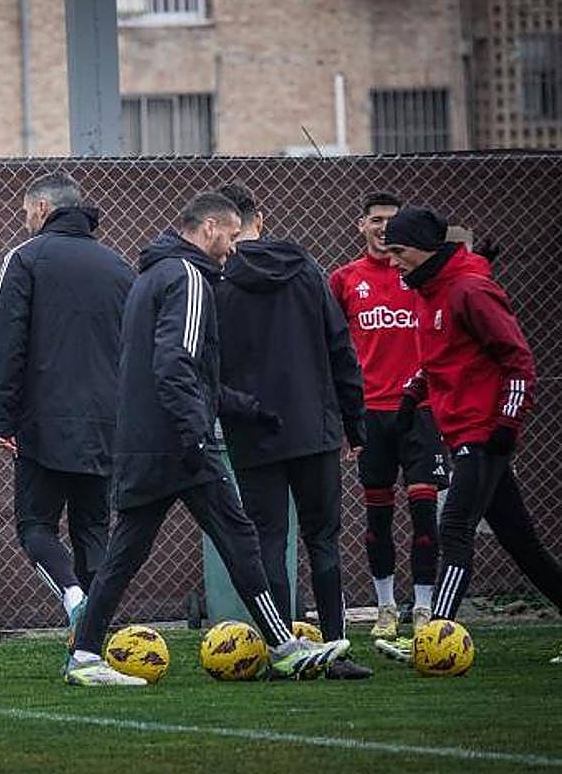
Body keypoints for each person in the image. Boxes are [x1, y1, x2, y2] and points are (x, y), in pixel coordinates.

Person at [65, 192, 351, 686]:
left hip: (145, 442)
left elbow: (188, 374)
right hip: (179, 445)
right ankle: (283, 647)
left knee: (131, 552)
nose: (234, 250)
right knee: (237, 537)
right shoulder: (189, 277)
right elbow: (175, 365)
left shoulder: (152, 274)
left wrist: (245, 407)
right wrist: (195, 436)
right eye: (233, 238)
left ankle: (84, 655)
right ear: (213, 228)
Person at [381, 205, 562, 664]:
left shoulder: (471, 290)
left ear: (424, 248)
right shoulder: (430, 291)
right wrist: (410, 396)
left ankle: (436, 633)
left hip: (483, 433)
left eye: (399, 251)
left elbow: (518, 361)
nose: (393, 261)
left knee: (454, 526)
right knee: (522, 543)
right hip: (460, 428)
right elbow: (440, 358)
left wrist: (506, 424)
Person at [213, 183, 371, 681]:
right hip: (314, 428)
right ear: (261, 219)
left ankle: (283, 651)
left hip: (253, 431)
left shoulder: (217, 284)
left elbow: (208, 364)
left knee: (268, 540)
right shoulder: (307, 271)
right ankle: (337, 650)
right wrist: (354, 423)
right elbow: (341, 349)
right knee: (323, 540)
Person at [0, 171, 134, 639]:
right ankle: (94, 640)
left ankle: (74, 600)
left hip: (43, 424)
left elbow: (6, 342)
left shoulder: (25, 259)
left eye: (27, 210)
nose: (25, 219)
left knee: (35, 526)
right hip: (107, 422)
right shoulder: (118, 266)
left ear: (43, 210)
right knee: (93, 531)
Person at [329, 192, 449, 640]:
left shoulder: (422, 278)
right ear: (361, 225)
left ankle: (422, 607)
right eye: (375, 220)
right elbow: (334, 351)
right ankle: (385, 607)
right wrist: (344, 417)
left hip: (419, 411)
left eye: (391, 221)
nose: (383, 228)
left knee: (424, 512)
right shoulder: (344, 280)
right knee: (377, 516)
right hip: (370, 413)